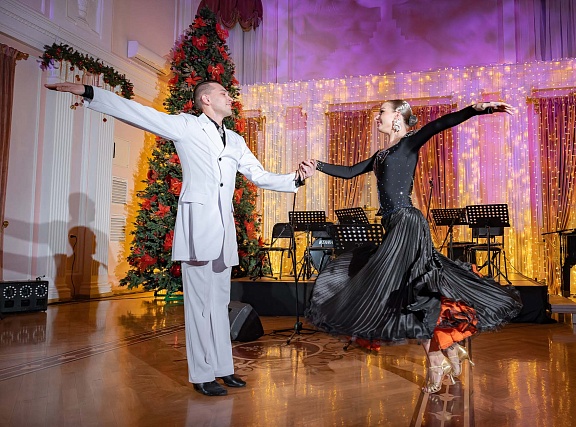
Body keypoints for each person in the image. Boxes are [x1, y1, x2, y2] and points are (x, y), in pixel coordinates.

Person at [45, 81, 315, 397]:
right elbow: (139, 114)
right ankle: (202, 374)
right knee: (199, 305)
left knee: (219, 304)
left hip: (223, 232)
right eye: (223, 93)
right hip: (197, 228)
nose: (229, 97)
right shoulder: (186, 125)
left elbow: (259, 175)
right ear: (206, 99)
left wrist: (296, 177)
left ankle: (223, 368)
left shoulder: (236, 140)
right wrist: (90, 93)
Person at [302, 100, 523, 393]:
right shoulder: (380, 155)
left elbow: (441, 124)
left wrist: (477, 109)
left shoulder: (409, 142)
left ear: (397, 116)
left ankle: (436, 360)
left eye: (381, 112)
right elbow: (349, 171)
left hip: (408, 224)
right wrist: (317, 165)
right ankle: (448, 347)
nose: (377, 117)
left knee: (407, 292)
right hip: (394, 225)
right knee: (414, 291)